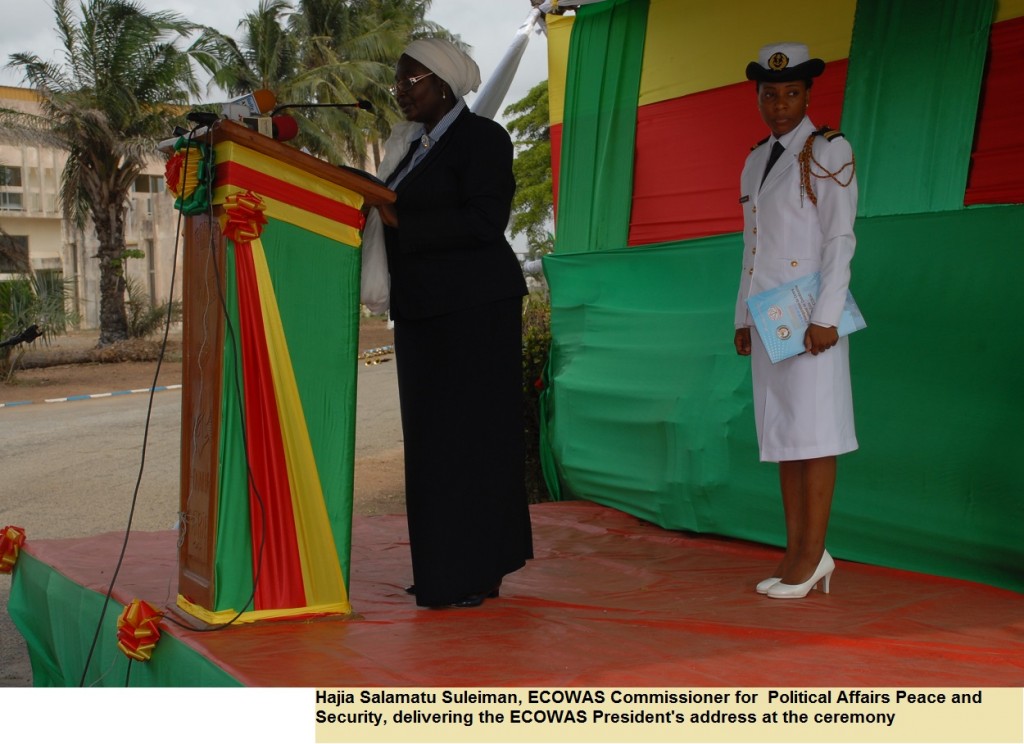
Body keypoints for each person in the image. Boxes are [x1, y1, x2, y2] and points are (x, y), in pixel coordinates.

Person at [374, 38, 533, 609]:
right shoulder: (412, 148)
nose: (401, 90)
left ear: (443, 83)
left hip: (475, 311)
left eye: (411, 79)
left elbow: (485, 221)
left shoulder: (484, 139)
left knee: (474, 441)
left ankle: (479, 568)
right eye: (399, 80)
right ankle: (444, 568)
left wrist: (397, 214)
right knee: (432, 444)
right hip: (422, 311)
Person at [733, 42, 858, 599]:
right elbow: (751, 248)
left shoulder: (829, 149)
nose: (779, 103)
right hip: (769, 316)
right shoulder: (756, 158)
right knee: (784, 435)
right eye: (769, 94)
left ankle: (812, 559)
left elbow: (839, 238)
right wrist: (742, 315)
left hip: (810, 315)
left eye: (790, 93)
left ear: (808, 94)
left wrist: (827, 316)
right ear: (758, 97)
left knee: (816, 435)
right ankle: (798, 555)